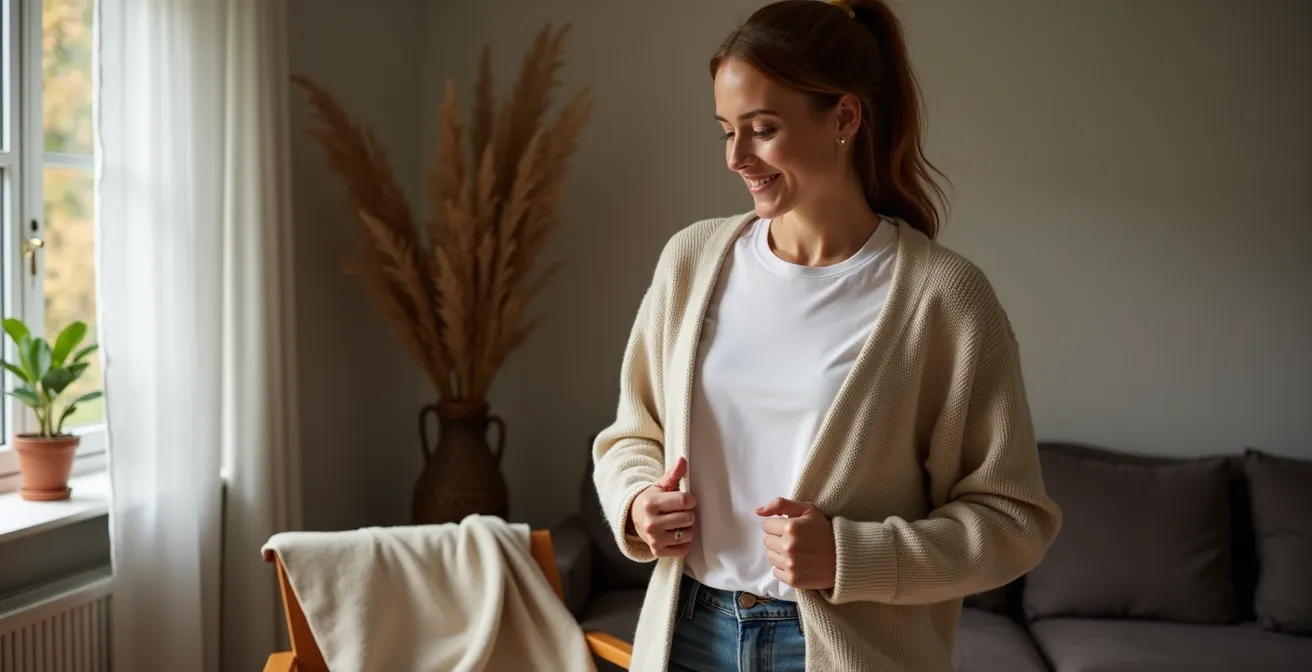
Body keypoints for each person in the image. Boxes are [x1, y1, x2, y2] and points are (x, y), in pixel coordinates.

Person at [591, 1, 1062, 670]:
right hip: (685, 633)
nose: (737, 157)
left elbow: (1014, 521)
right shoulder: (693, 261)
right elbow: (631, 434)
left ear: (843, 117)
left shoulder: (943, 297)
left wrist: (850, 556)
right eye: (726, 130)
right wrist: (638, 501)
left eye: (762, 128)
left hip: (840, 651)